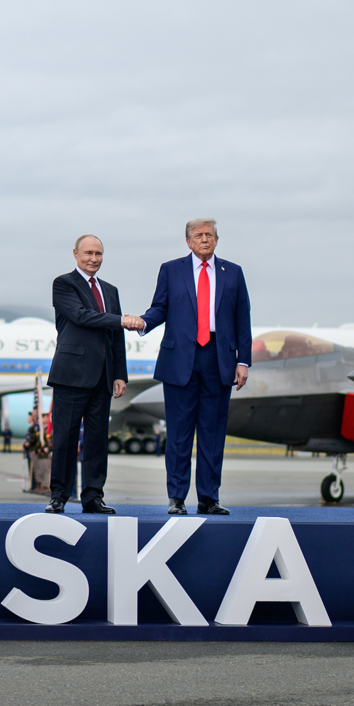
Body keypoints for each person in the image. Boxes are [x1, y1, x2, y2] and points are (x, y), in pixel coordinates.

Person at [125, 218, 251, 516]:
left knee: (212, 432)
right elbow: (160, 308)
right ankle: (177, 498)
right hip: (180, 359)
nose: (204, 239)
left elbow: (242, 318)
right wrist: (143, 322)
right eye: (199, 235)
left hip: (218, 361)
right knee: (179, 434)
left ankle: (209, 498)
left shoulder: (232, 272)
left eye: (209, 235)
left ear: (217, 240)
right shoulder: (171, 269)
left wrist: (243, 360)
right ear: (188, 241)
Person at [45, 234, 128, 515]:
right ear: (75, 254)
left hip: (103, 377)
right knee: (65, 438)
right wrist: (121, 319)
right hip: (71, 374)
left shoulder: (111, 290)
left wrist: (120, 374)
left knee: (96, 440)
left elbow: (116, 337)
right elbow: (81, 316)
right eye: (88, 253)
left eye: (99, 254)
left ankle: (93, 497)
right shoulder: (64, 284)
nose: (94, 259)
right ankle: (59, 496)